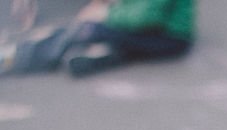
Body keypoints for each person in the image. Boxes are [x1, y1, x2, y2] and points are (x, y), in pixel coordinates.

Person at [0, 0, 193, 77]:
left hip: (169, 38)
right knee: (92, 30)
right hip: (154, 31)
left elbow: (145, 18)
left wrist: (106, 14)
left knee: (87, 30)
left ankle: (20, 58)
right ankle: (99, 57)